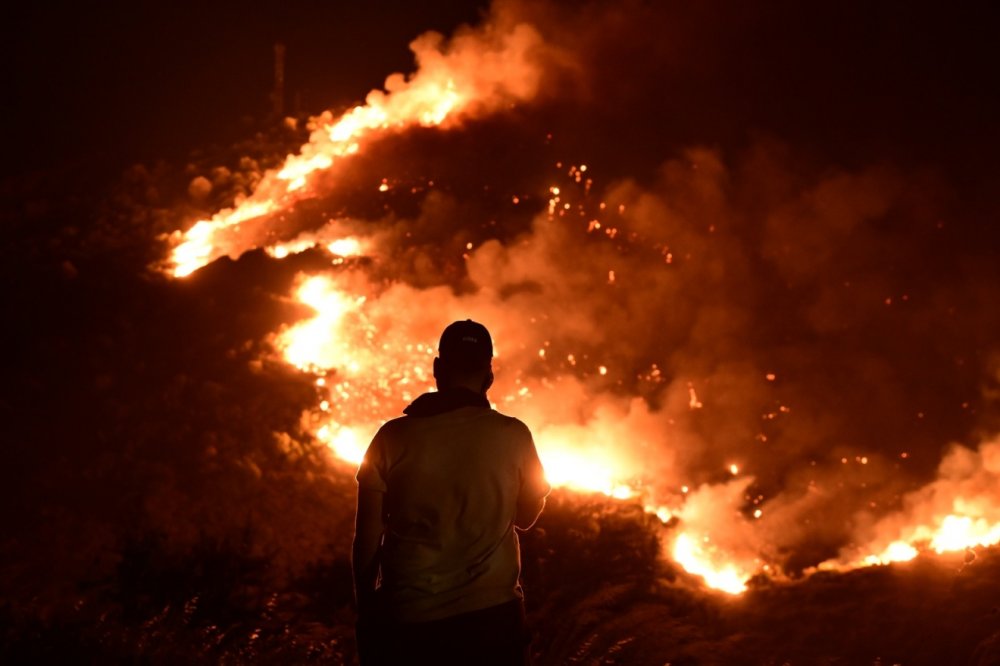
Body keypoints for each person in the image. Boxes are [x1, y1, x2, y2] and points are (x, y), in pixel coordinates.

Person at [353, 319, 550, 666]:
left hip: (411, 622)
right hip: (492, 620)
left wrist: (367, 609)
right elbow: (526, 517)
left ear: (437, 368)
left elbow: (367, 537)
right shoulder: (514, 435)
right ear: (489, 374)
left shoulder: (391, 438)